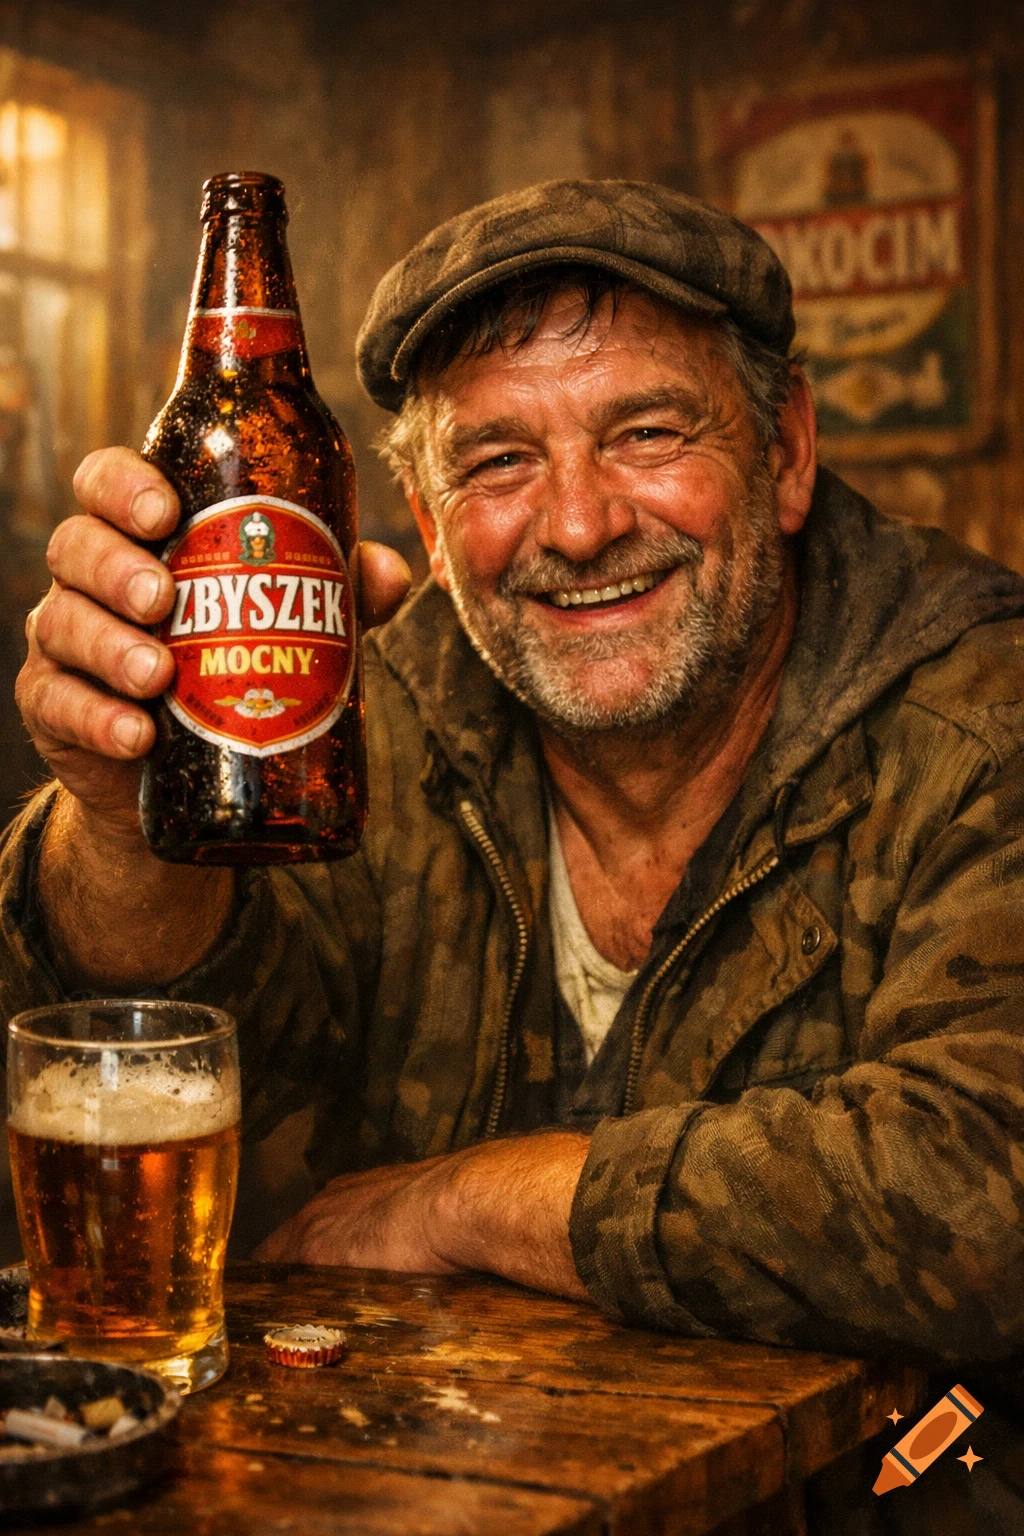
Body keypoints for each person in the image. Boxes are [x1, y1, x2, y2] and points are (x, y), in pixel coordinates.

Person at [4, 181, 1024, 1526]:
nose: (581, 524)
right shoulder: (385, 708)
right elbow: (200, 1053)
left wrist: (467, 1202)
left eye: (647, 432)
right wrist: (124, 817)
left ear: (784, 452)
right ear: (427, 526)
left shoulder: (982, 711)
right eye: (497, 462)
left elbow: (978, 1195)